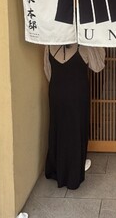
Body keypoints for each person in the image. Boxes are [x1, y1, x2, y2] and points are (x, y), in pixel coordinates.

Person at [44, 44, 105, 189]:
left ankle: (57, 170)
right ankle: (73, 173)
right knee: (77, 130)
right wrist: (96, 42)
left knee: (58, 129)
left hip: (56, 92)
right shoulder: (84, 46)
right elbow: (98, 66)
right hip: (77, 94)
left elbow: (48, 72)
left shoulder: (49, 46)